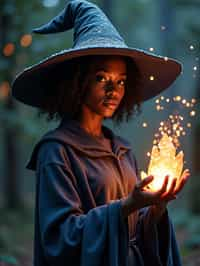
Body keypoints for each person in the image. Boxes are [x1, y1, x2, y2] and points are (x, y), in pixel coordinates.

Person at [12, 1, 190, 266]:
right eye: (101, 78)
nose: (113, 90)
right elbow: (61, 238)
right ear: (78, 82)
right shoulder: (57, 151)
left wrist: (155, 208)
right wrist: (128, 204)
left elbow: (135, 228)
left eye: (120, 81)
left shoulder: (123, 150)